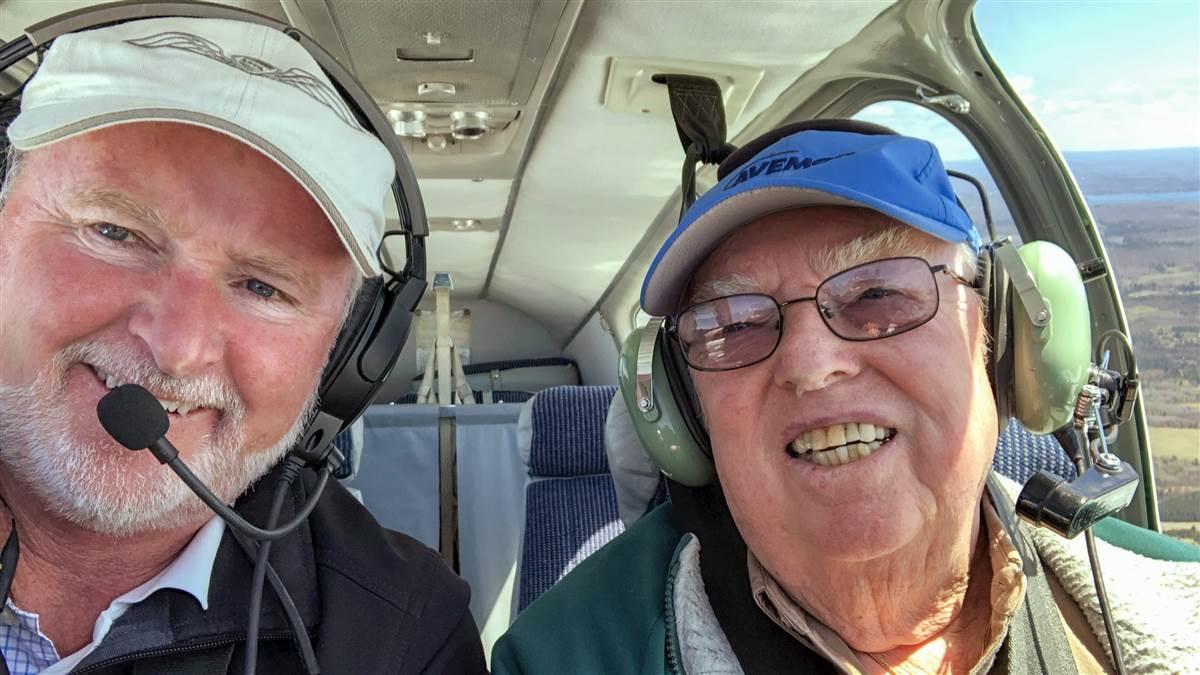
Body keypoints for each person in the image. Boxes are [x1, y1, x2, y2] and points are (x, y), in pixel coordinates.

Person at [492, 123, 1200, 673]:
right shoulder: (558, 655)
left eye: (879, 294)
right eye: (734, 323)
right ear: (683, 409)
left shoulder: (1175, 605)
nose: (810, 364)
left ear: (1005, 341)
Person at [0, 13, 485, 674]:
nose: (176, 346)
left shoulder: (402, 635)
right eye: (114, 233)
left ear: (347, 362)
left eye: (262, 286)